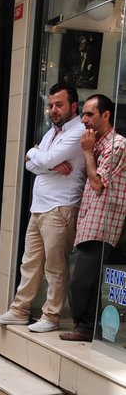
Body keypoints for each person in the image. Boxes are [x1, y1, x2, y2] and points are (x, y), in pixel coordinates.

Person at [0, 82, 86, 333]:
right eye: (51, 105)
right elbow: (29, 163)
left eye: (59, 105)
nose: (53, 110)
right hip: (39, 207)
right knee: (30, 263)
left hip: (61, 207)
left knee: (56, 266)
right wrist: (45, 161)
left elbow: (43, 158)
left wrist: (40, 157)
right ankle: (19, 311)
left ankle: (51, 316)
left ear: (73, 106)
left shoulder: (79, 131)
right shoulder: (51, 133)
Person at [60, 94, 126, 342]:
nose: (84, 120)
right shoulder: (97, 145)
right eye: (83, 114)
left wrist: (87, 152)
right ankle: (87, 328)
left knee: (79, 283)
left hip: (102, 226)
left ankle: (86, 327)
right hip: (89, 223)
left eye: (89, 114)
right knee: (88, 283)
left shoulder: (117, 145)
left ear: (106, 115)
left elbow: (97, 183)